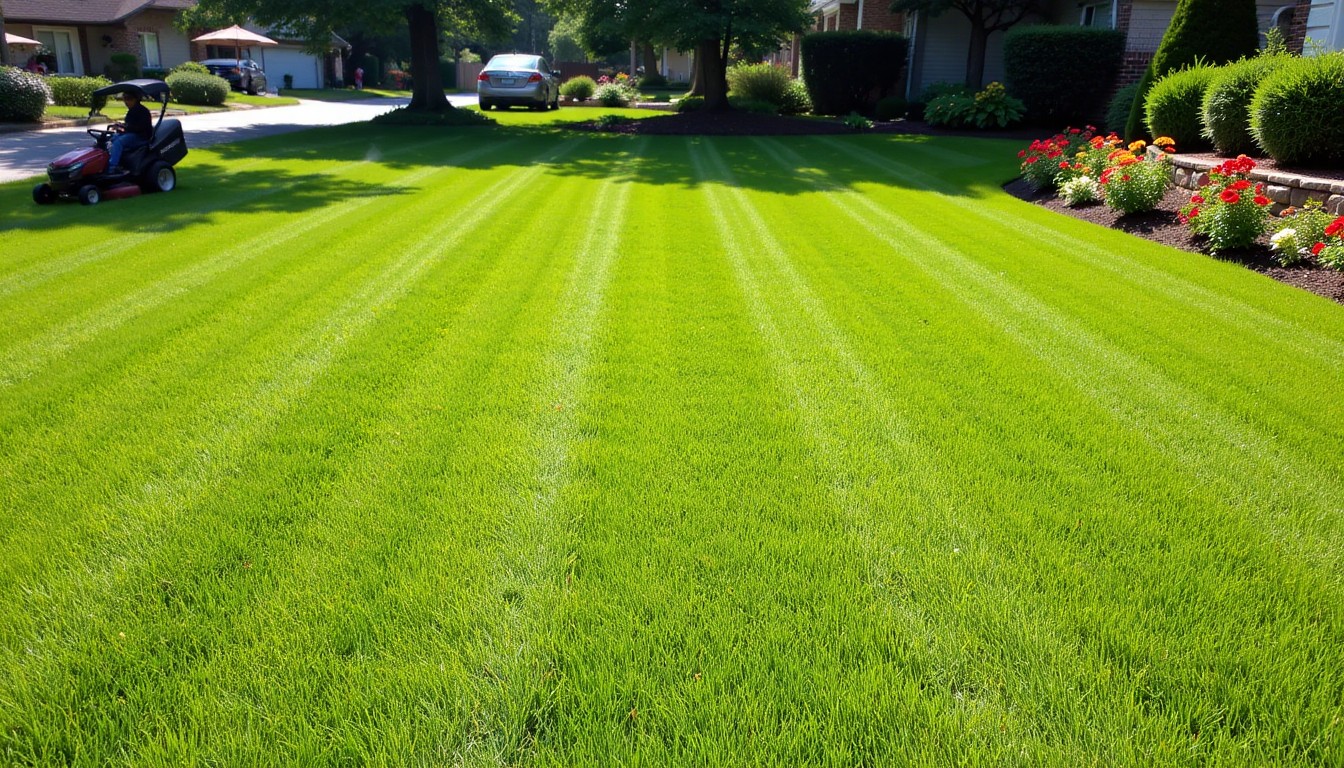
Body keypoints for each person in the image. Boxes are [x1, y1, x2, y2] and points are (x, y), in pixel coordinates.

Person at [108, 91, 152, 174]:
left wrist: (124, 127)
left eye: (129, 99)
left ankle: (113, 167)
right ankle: (116, 161)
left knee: (118, 143)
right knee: (112, 138)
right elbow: (129, 125)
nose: (126, 102)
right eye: (124, 98)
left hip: (141, 137)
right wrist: (120, 126)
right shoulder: (131, 111)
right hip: (133, 134)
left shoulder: (143, 112)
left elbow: (139, 128)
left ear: (136, 99)